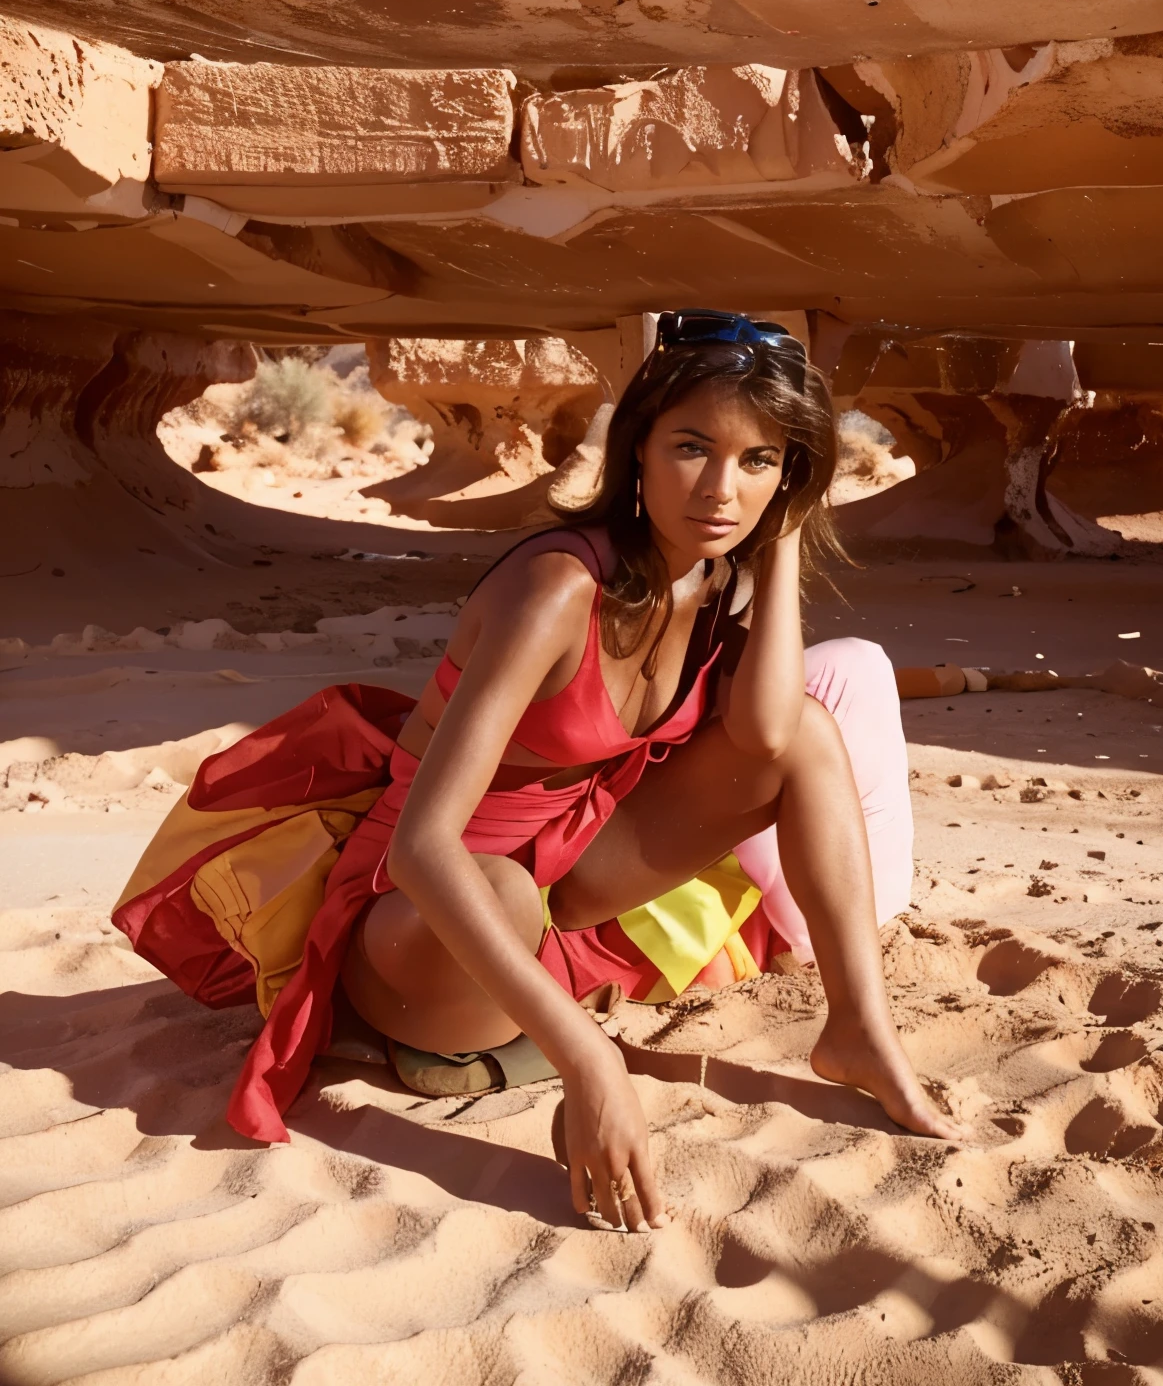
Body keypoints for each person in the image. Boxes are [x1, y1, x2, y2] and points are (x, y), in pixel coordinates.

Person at [113, 310, 962, 1233]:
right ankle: (504, 1022)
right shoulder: (556, 589)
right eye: (692, 447)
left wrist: (785, 531)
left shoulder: (715, 577)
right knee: (499, 891)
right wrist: (589, 1059)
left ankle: (859, 1031)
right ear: (635, 447)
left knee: (805, 728)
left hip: (566, 876)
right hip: (425, 921)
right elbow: (423, 851)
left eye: (760, 460)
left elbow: (764, 734)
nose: (722, 488)